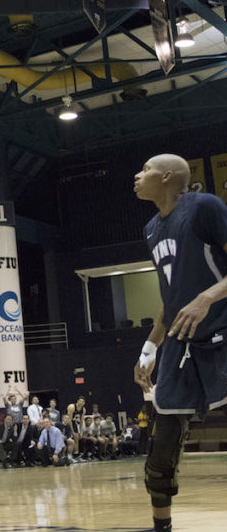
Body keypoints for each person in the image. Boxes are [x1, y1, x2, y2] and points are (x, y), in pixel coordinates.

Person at [132, 153, 227, 532]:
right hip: (179, 342)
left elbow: (201, 293)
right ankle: (162, 528)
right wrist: (149, 350)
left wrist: (207, 297)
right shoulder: (152, 229)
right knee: (160, 452)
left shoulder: (205, 207)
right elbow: (170, 301)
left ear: (168, 176)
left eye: (146, 169)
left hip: (222, 330)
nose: (138, 176)